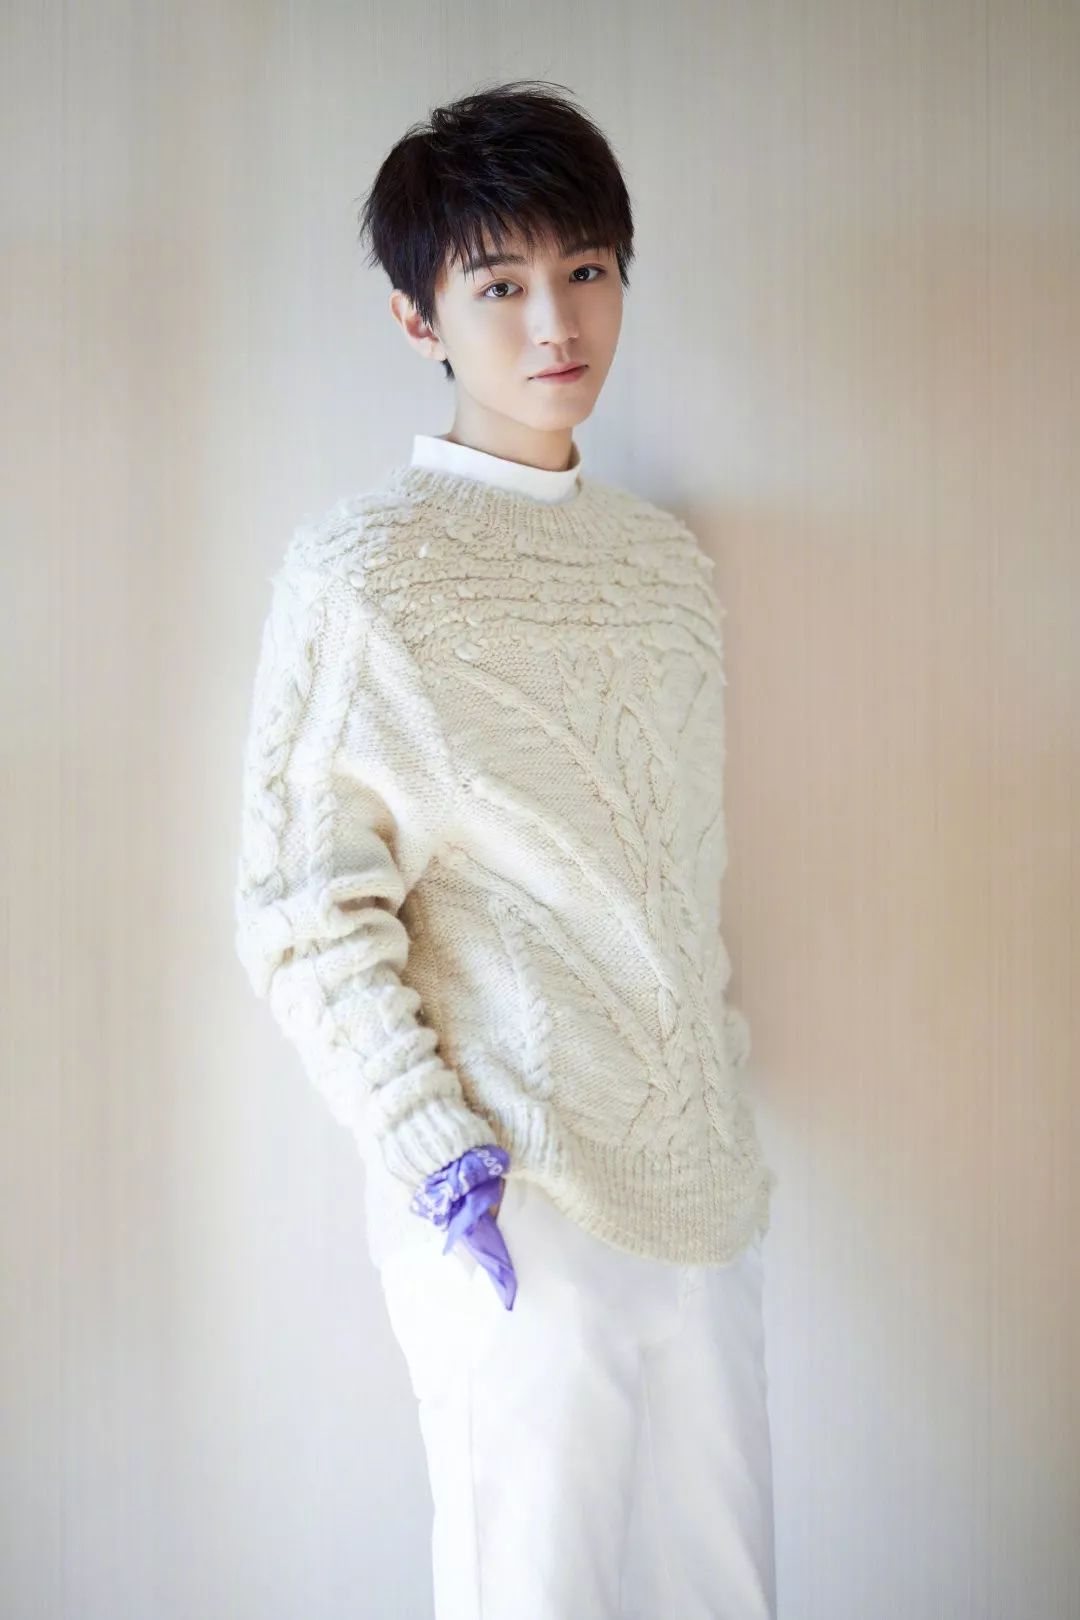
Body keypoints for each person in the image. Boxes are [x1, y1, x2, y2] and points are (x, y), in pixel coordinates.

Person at [233, 76, 779, 1620]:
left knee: (726, 1593)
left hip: (704, 1199)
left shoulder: (666, 570)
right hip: (513, 1203)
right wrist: (434, 1148)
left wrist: (720, 1131)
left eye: (586, 269)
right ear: (420, 316)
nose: (556, 321)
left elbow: (673, 887)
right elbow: (300, 908)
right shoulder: (364, 575)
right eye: (500, 284)